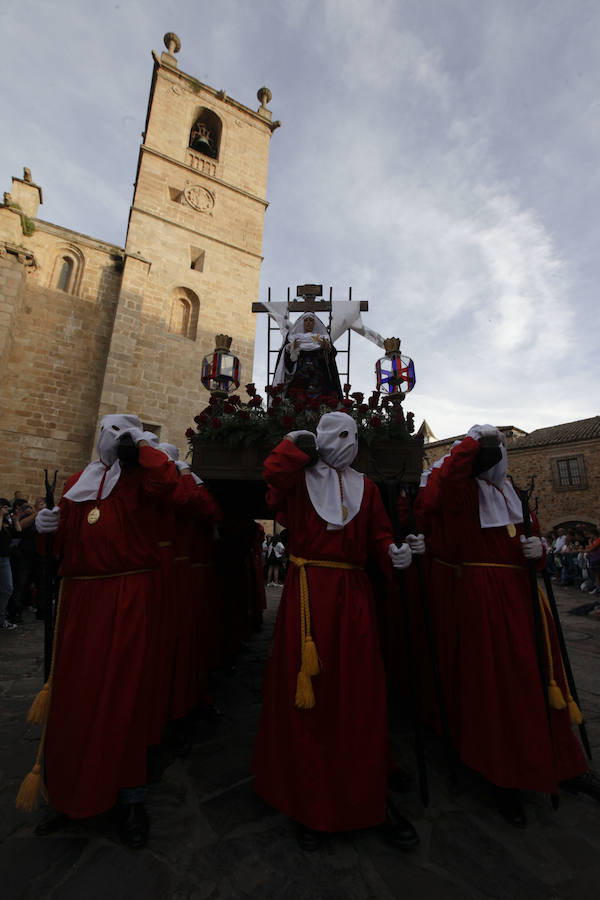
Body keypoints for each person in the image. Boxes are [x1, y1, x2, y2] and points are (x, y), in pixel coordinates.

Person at [252, 410, 420, 851]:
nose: (347, 442)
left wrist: (394, 555)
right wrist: (297, 445)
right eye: (337, 434)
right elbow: (272, 474)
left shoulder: (366, 487)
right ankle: (310, 800)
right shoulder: (297, 482)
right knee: (310, 697)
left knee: (360, 692)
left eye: (353, 434)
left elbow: (379, 537)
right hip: (308, 599)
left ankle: (368, 795)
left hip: (354, 596)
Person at [417, 424, 590, 827]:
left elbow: (530, 540)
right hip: (485, 601)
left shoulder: (513, 495)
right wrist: (478, 439)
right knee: (498, 685)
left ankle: (557, 761)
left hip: (525, 600)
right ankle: (504, 776)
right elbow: (439, 487)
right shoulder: (462, 494)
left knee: (540, 679)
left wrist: (540, 551)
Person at [20, 414, 178, 848]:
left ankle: (129, 800)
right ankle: (67, 794)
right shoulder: (77, 481)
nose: (113, 439)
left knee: (123, 696)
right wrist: (46, 531)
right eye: (109, 432)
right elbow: (57, 547)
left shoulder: (142, 479)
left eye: (120, 433)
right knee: (74, 696)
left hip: (128, 597)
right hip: (79, 601)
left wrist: (140, 448)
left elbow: (169, 484)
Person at [272, 312, 342, 400]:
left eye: (311, 320)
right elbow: (287, 360)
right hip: (300, 378)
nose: (308, 322)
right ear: (303, 323)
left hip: (318, 378)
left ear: (314, 323)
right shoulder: (293, 338)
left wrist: (327, 348)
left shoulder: (322, 338)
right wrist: (290, 349)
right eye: (306, 320)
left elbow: (330, 360)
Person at [0, 498, 17, 631]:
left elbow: (18, 531)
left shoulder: (7, 521)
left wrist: (15, 518)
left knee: (7, 588)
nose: (7, 510)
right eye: (5, 508)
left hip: (5, 558)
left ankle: (1, 619)